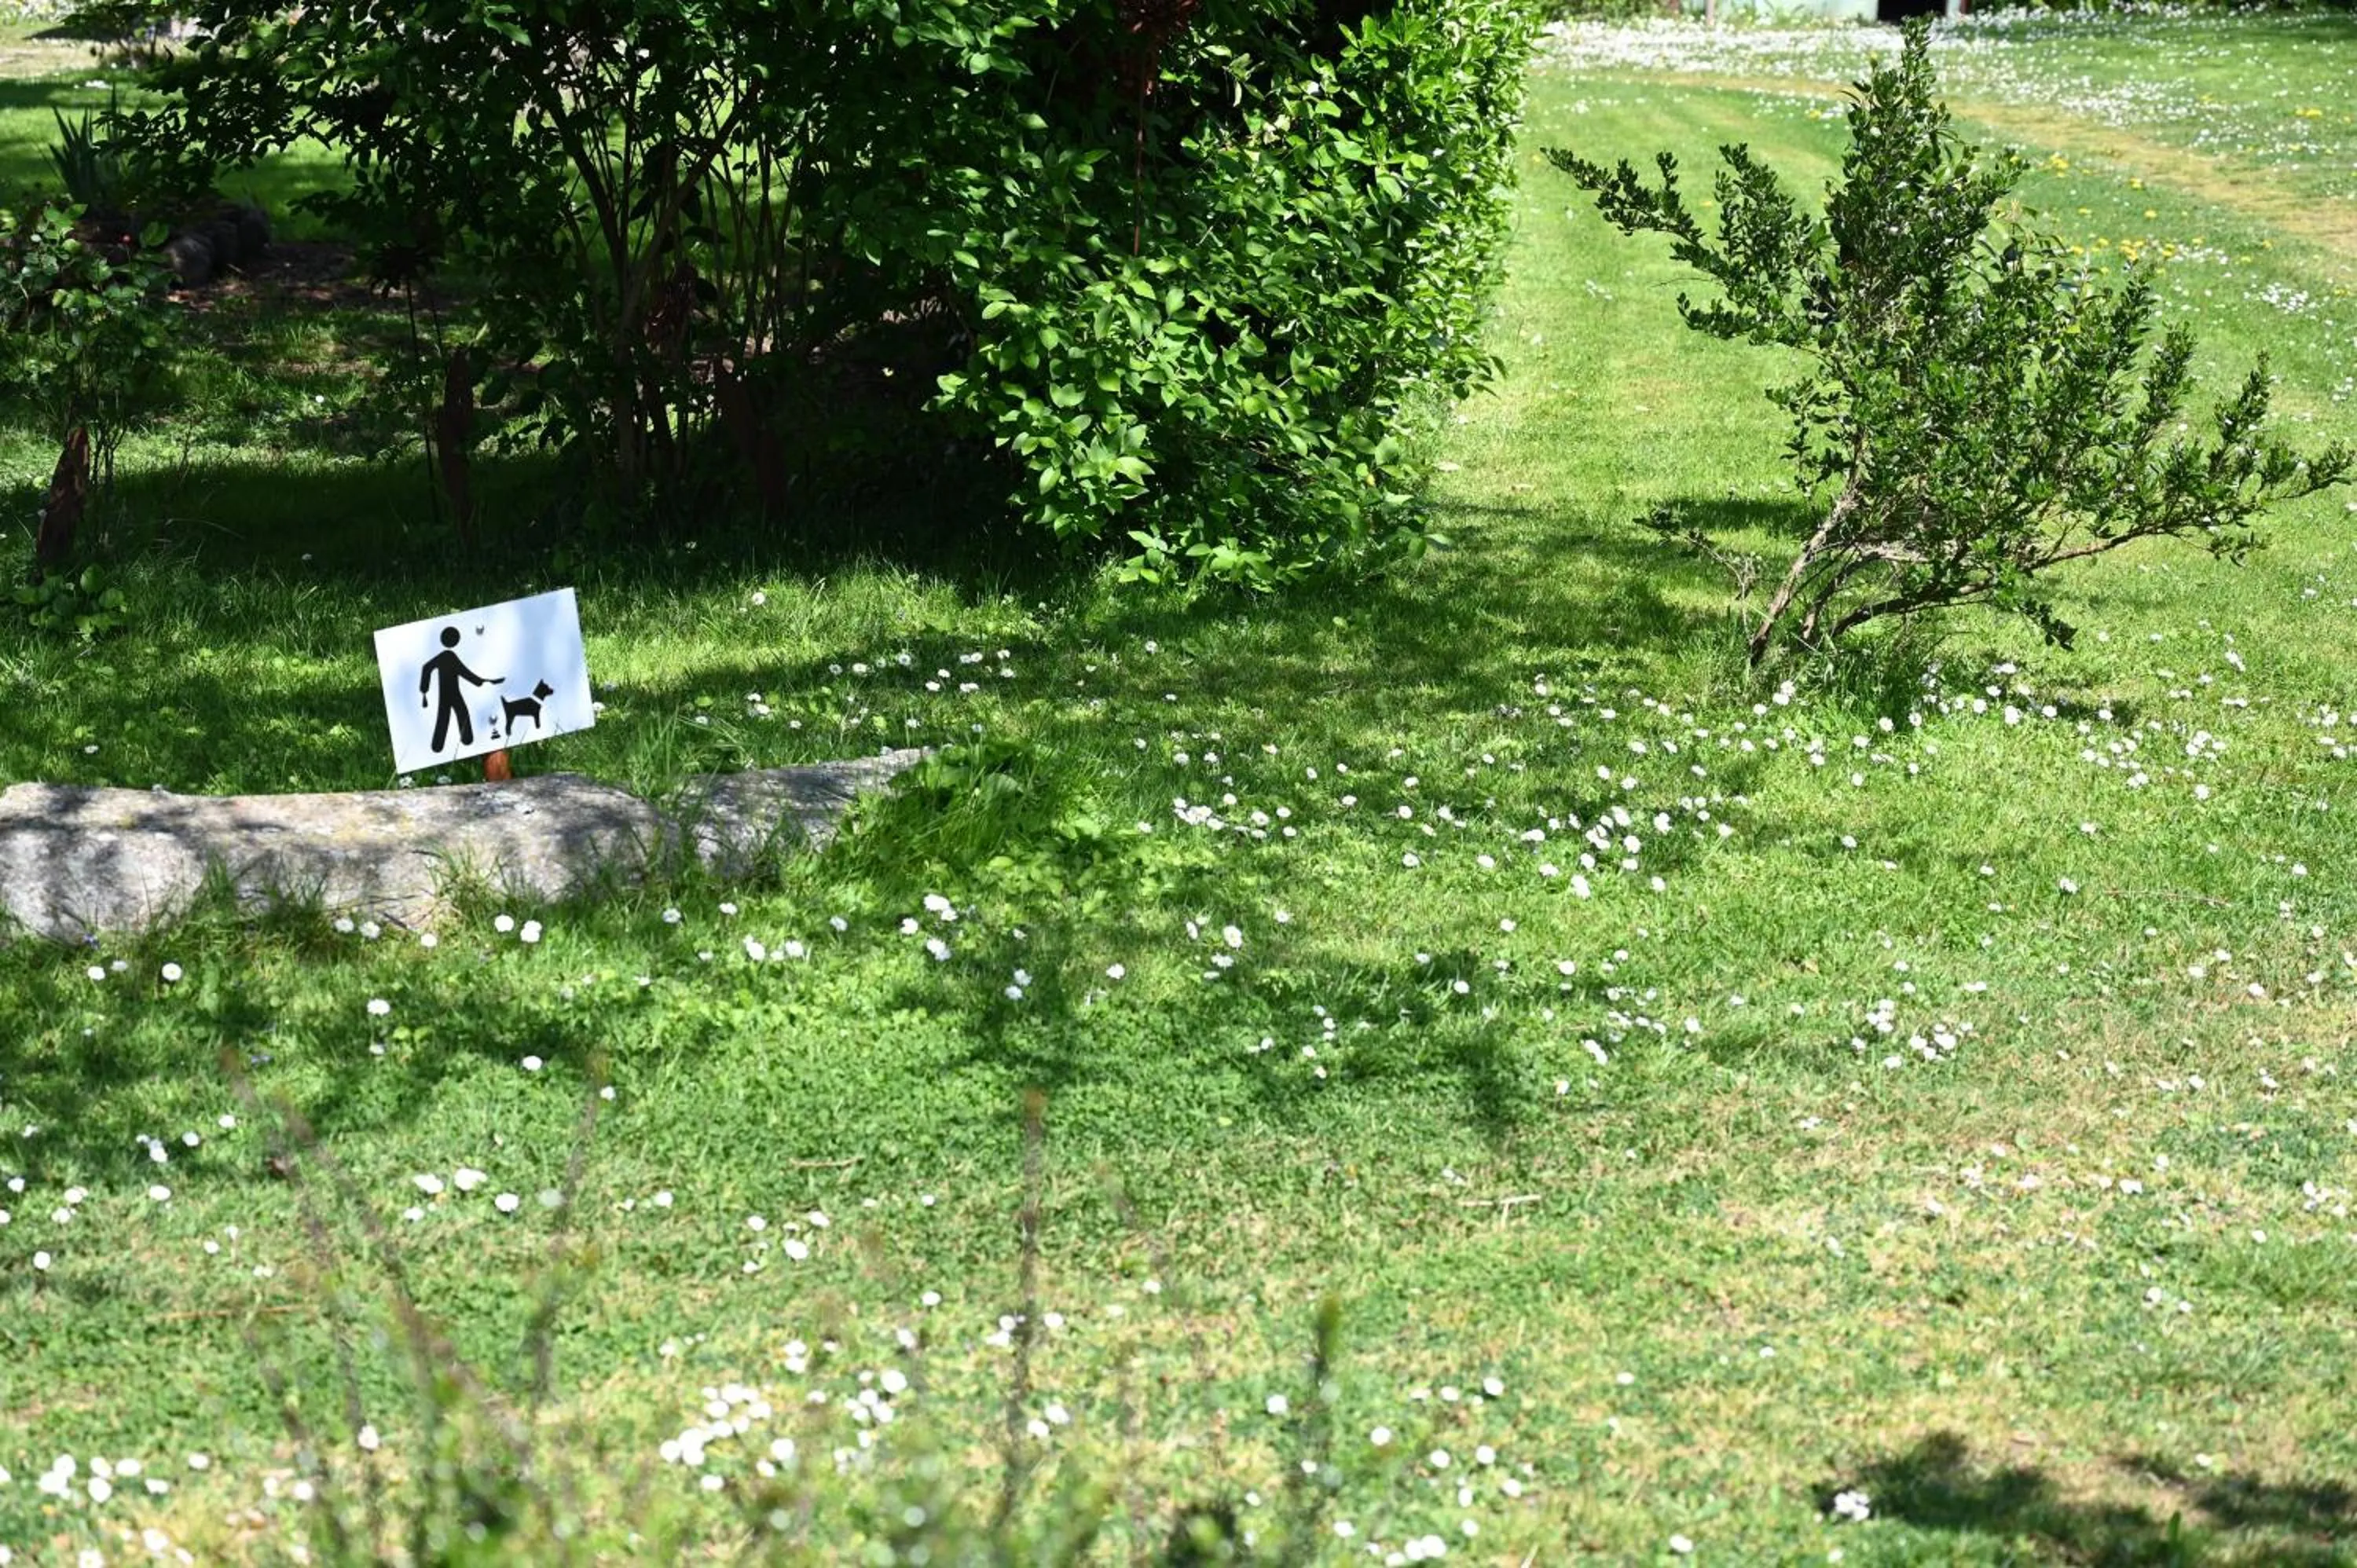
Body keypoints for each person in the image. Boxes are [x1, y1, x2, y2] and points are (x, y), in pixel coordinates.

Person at [419, 626, 502, 752]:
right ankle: (464, 740)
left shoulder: (445, 656)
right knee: (458, 714)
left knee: (446, 716)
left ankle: (439, 745)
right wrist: (482, 681)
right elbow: (464, 672)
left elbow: (427, 668)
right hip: (453, 693)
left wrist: (425, 688)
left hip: (447, 693)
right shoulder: (450, 656)